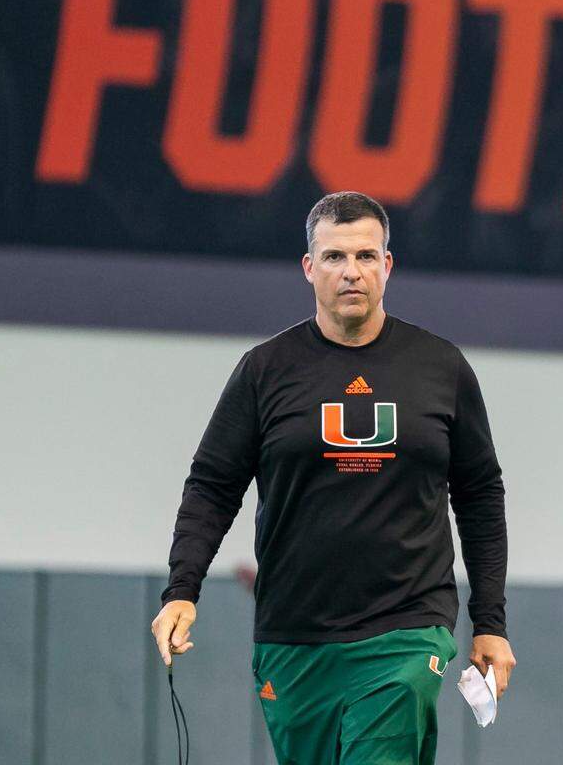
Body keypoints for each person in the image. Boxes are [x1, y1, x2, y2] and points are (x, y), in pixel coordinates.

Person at [150, 191, 515, 765]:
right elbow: (213, 486)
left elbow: (480, 496)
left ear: (387, 267)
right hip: (294, 634)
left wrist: (489, 622)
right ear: (309, 267)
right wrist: (182, 590)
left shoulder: (441, 368)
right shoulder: (264, 371)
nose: (352, 272)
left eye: (367, 257)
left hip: (407, 628)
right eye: (335, 257)